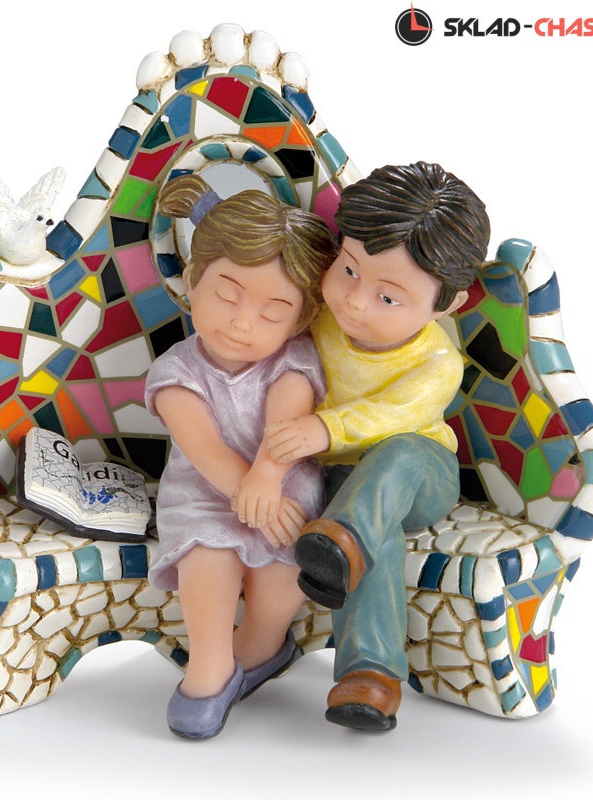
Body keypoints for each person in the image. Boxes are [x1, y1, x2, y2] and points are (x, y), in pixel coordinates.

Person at [263, 162, 491, 732]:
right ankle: (370, 676)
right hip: (345, 486)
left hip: (421, 475)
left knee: (398, 454)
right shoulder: (320, 318)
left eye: (388, 297)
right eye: (347, 270)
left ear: (447, 305)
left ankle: (342, 543)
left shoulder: (437, 362)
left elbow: (392, 415)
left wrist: (324, 429)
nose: (355, 302)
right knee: (372, 530)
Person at [146, 174, 339, 739]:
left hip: (282, 485)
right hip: (205, 493)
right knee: (207, 563)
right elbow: (203, 446)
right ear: (192, 281)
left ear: (300, 320)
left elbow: (284, 426)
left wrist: (267, 479)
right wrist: (246, 489)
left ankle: (259, 650)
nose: (241, 321)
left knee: (283, 571)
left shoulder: (294, 360)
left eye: (272, 312)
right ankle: (209, 669)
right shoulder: (177, 370)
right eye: (227, 295)